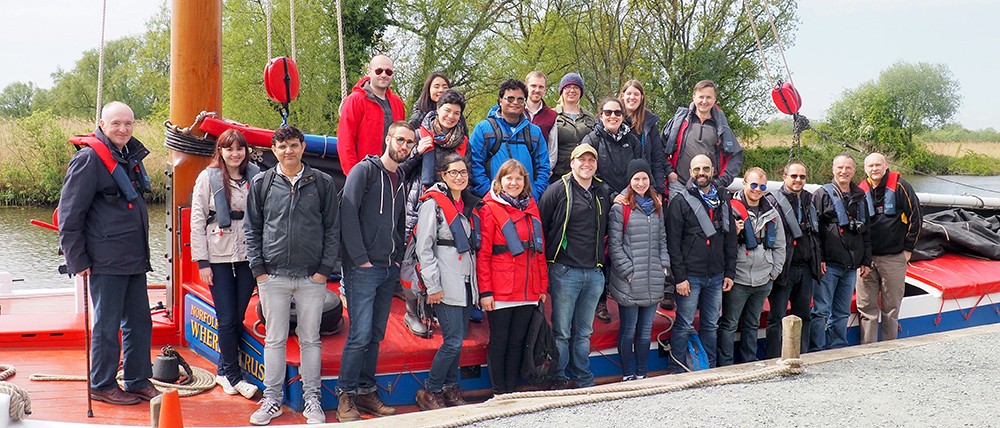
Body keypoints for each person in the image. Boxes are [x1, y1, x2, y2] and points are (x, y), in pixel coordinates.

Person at [58, 101, 159, 405]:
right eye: (116, 123)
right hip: (105, 259)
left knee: (140, 321)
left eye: (128, 124)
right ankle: (101, 384)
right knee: (106, 325)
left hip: (133, 257)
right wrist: (78, 260)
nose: (123, 129)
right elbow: (69, 214)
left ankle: (137, 379)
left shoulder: (128, 156)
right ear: (101, 124)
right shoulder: (89, 159)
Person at [245, 125, 341, 425]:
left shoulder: (322, 183)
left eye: (294, 145)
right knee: (274, 340)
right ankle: (272, 399)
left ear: (303, 148)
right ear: (274, 150)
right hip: (273, 276)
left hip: (311, 276)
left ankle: (312, 399)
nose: (289, 151)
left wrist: (323, 271)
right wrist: (259, 272)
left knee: (310, 339)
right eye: (283, 146)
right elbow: (252, 230)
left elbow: (332, 229)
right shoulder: (262, 183)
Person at [336, 121, 416, 421]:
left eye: (409, 142)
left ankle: (366, 391)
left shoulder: (401, 179)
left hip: (386, 268)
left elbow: (399, 220)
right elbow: (347, 212)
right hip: (363, 268)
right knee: (359, 334)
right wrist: (360, 258)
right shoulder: (364, 172)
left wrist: (395, 258)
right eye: (400, 140)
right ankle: (346, 394)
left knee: (375, 335)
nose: (404, 146)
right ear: (388, 139)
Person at [190, 129, 261, 400]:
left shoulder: (256, 177)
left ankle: (222, 370)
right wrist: (202, 262)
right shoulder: (207, 179)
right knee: (227, 317)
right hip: (218, 258)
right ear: (220, 151)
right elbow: (197, 221)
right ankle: (233, 375)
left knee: (238, 316)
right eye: (229, 149)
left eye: (239, 148)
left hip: (247, 257)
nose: (235, 154)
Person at [413, 153, 482, 409]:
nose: (459, 177)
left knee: (458, 340)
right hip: (444, 281)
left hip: (464, 282)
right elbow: (425, 248)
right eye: (454, 172)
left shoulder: (465, 203)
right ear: (443, 174)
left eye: (463, 172)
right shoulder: (434, 204)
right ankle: (430, 390)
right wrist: (433, 286)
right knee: (452, 341)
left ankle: (450, 388)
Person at [539, 144, 611, 388]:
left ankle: (582, 377)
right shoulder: (557, 190)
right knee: (561, 332)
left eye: (591, 160)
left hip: (594, 272)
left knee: (584, 332)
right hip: (565, 271)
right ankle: (559, 377)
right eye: (582, 160)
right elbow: (543, 225)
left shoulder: (603, 191)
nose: (587, 164)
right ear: (572, 163)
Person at [400, 89, 470, 336]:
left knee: (440, 257)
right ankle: (411, 311)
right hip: (418, 202)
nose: (451, 117)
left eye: (456, 113)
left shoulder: (461, 141)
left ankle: (432, 311)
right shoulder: (419, 133)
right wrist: (417, 151)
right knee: (414, 258)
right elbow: (400, 170)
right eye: (447, 111)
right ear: (437, 109)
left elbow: (466, 172)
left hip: (448, 206)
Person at [477, 159, 548, 395]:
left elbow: (539, 252)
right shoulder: (489, 209)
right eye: (509, 178)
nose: (514, 182)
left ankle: (512, 389)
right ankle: (499, 391)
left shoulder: (532, 208)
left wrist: (542, 287)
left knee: (519, 342)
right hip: (501, 290)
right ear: (500, 181)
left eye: (519, 178)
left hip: (527, 290)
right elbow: (484, 253)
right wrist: (485, 292)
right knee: (500, 342)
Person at [666, 154, 737, 371]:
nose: (701, 173)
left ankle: (709, 367)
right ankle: (677, 369)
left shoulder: (723, 199)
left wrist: (729, 273)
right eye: (697, 169)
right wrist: (680, 278)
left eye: (706, 169)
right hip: (691, 276)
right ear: (690, 172)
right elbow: (673, 244)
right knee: (684, 324)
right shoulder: (680, 202)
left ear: (713, 170)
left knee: (710, 325)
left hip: (716, 275)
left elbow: (730, 238)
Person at [580, 96, 644, 323]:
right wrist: (611, 195)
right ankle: (600, 301)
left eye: (617, 113)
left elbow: (640, 167)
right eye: (608, 113)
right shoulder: (591, 138)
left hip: (628, 199)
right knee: (602, 252)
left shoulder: (633, 140)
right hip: (601, 201)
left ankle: (625, 294)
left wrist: (629, 192)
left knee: (626, 249)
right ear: (601, 115)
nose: (613, 116)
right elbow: (587, 171)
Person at [607, 159, 669, 381]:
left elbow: (662, 239)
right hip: (630, 281)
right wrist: (628, 272)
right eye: (636, 179)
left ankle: (642, 373)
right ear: (630, 181)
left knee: (644, 332)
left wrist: (664, 265)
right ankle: (627, 374)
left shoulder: (657, 207)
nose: (641, 183)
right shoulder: (619, 208)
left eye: (644, 178)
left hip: (652, 278)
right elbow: (614, 245)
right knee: (628, 330)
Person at [718, 168, 785, 366]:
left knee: (752, 324)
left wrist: (774, 271)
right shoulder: (729, 208)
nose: (757, 190)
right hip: (738, 278)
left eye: (762, 186)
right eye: (754, 185)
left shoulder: (772, 213)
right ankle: (726, 364)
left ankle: (749, 362)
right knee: (729, 324)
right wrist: (733, 232)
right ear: (745, 184)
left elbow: (781, 245)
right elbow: (718, 242)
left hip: (764, 278)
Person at [858, 153, 921, 344]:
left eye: (878, 165)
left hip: (893, 258)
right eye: (870, 166)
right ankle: (867, 348)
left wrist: (908, 250)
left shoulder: (902, 186)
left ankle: (889, 346)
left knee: (891, 307)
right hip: (866, 260)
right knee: (866, 307)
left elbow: (916, 218)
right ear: (865, 169)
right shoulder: (860, 191)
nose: (874, 169)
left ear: (886, 165)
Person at [811, 154, 872, 351]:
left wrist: (866, 261)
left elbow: (867, 232)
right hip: (829, 264)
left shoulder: (861, 198)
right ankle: (817, 349)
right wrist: (819, 258)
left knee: (842, 311)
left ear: (854, 171)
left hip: (851, 265)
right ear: (833, 169)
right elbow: (815, 231)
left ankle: (838, 347)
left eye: (848, 168)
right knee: (821, 310)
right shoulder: (821, 195)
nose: (844, 172)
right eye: (840, 168)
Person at [764, 161, 822, 358]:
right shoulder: (772, 200)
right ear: (784, 177)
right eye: (794, 176)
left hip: (805, 268)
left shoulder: (809, 200)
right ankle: (774, 357)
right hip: (784, 268)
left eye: (802, 177)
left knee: (803, 315)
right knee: (776, 317)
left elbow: (816, 234)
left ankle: (801, 355)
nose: (798, 180)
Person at [469, 78, 550, 201]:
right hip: (494, 203)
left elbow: (543, 167)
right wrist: (490, 194)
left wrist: (535, 194)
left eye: (520, 99)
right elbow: (474, 164)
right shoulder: (483, 129)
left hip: (527, 203)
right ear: (501, 100)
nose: (515, 102)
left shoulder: (534, 132)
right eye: (510, 98)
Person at [661, 80, 743, 195]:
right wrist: (669, 172)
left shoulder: (722, 128)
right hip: (679, 186)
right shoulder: (679, 122)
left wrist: (720, 182)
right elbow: (659, 148)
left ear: (715, 99)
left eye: (709, 97)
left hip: (708, 189)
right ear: (694, 97)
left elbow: (736, 156)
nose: (704, 101)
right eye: (701, 97)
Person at [337, 54, 406, 174]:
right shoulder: (355, 100)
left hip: (391, 172)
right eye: (379, 71)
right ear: (369, 72)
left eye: (388, 72)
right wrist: (353, 174)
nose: (384, 75)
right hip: (365, 172)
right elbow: (345, 141)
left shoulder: (397, 103)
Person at [619, 80, 666, 195]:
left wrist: (659, 190)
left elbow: (657, 158)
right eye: (629, 94)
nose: (632, 97)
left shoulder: (649, 124)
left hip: (643, 185)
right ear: (622, 96)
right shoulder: (613, 120)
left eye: (636, 94)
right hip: (620, 183)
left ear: (642, 97)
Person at [547, 72, 596, 182]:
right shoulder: (551, 115)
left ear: (581, 92)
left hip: (585, 174)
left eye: (576, 87)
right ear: (562, 91)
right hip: (558, 175)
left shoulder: (590, 117)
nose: (572, 90)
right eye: (568, 87)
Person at [525, 70, 557, 141]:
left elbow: (552, 148)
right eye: (533, 86)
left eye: (541, 87)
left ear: (545, 90)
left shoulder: (552, 116)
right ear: (526, 87)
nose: (537, 90)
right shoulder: (516, 111)